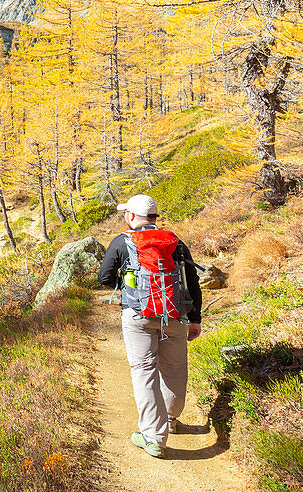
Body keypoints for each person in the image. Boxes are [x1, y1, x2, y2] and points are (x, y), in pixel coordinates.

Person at [98, 194, 202, 459]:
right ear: (154, 217)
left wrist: (128, 290)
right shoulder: (175, 242)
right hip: (175, 315)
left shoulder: (123, 241)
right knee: (175, 369)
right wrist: (196, 319)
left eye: (126, 214)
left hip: (138, 316)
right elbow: (192, 281)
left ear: (132, 216)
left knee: (144, 371)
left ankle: (153, 438)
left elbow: (104, 277)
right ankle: (170, 419)